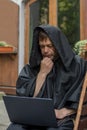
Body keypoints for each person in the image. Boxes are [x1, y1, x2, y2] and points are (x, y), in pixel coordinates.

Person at [7, 25, 87, 130]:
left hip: (63, 119)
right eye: (42, 46)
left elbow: (83, 97)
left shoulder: (77, 65)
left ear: (59, 45)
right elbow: (26, 100)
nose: (45, 50)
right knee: (14, 128)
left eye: (50, 46)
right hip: (34, 118)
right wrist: (42, 73)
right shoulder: (31, 68)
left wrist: (64, 112)